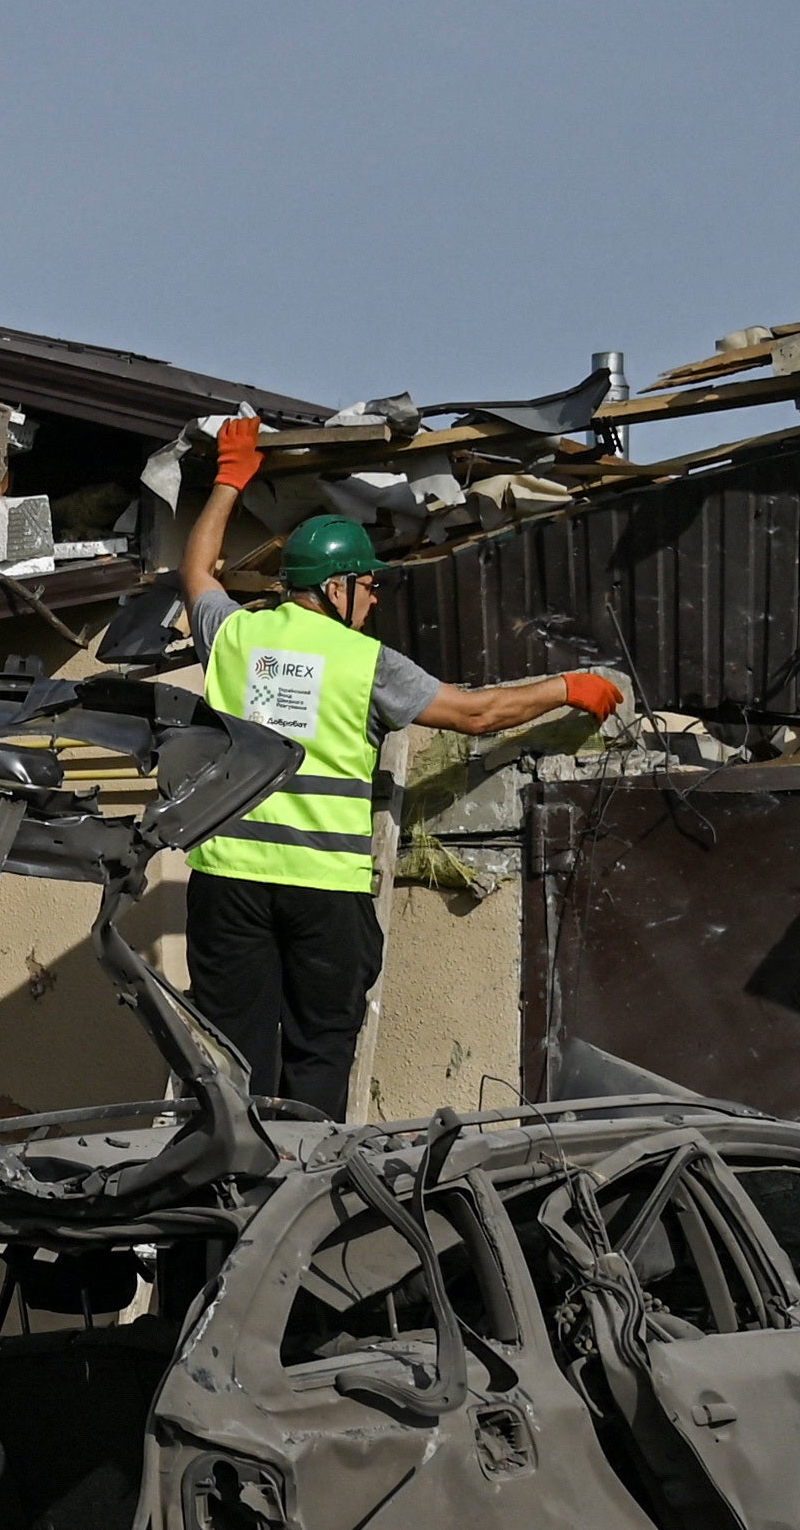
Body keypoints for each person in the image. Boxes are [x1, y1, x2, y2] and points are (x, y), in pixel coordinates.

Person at [176, 410, 628, 1119]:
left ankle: (225, 1205)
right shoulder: (366, 663)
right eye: (368, 582)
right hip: (323, 890)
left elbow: (197, 570)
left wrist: (232, 480)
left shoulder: (234, 638)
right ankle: (302, 1199)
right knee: (319, 1054)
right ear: (334, 586)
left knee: (230, 1058)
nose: (376, 594)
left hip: (228, 885)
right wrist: (567, 687)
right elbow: (477, 715)